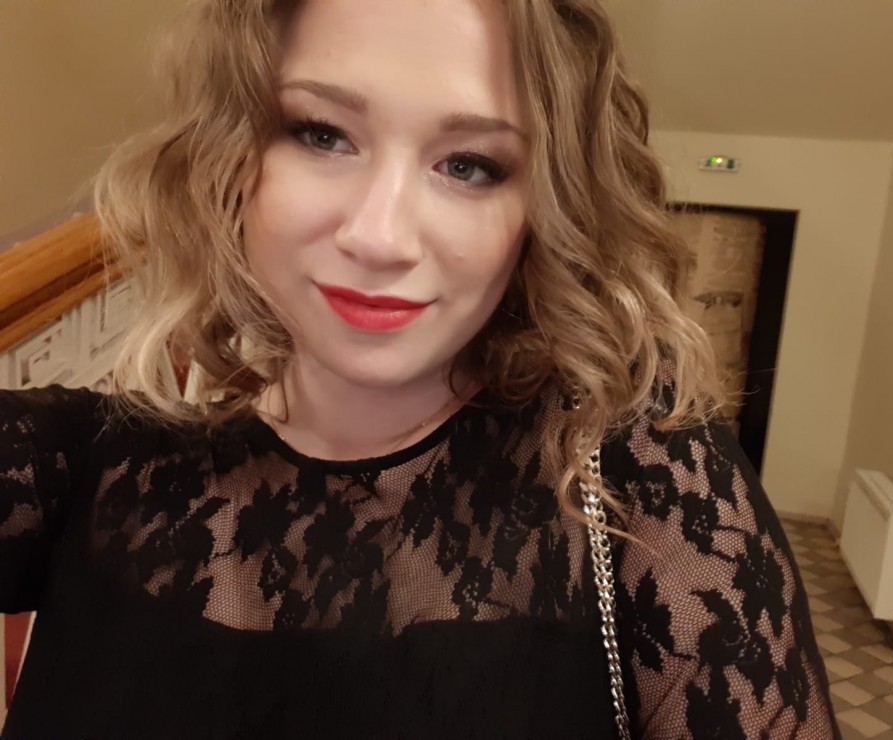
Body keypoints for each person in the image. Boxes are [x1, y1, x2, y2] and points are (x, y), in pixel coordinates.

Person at [0, 0, 839, 737]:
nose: (379, 236)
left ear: (541, 209)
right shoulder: (84, 466)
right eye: (322, 134)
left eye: (468, 165)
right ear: (232, 154)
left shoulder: (641, 483)